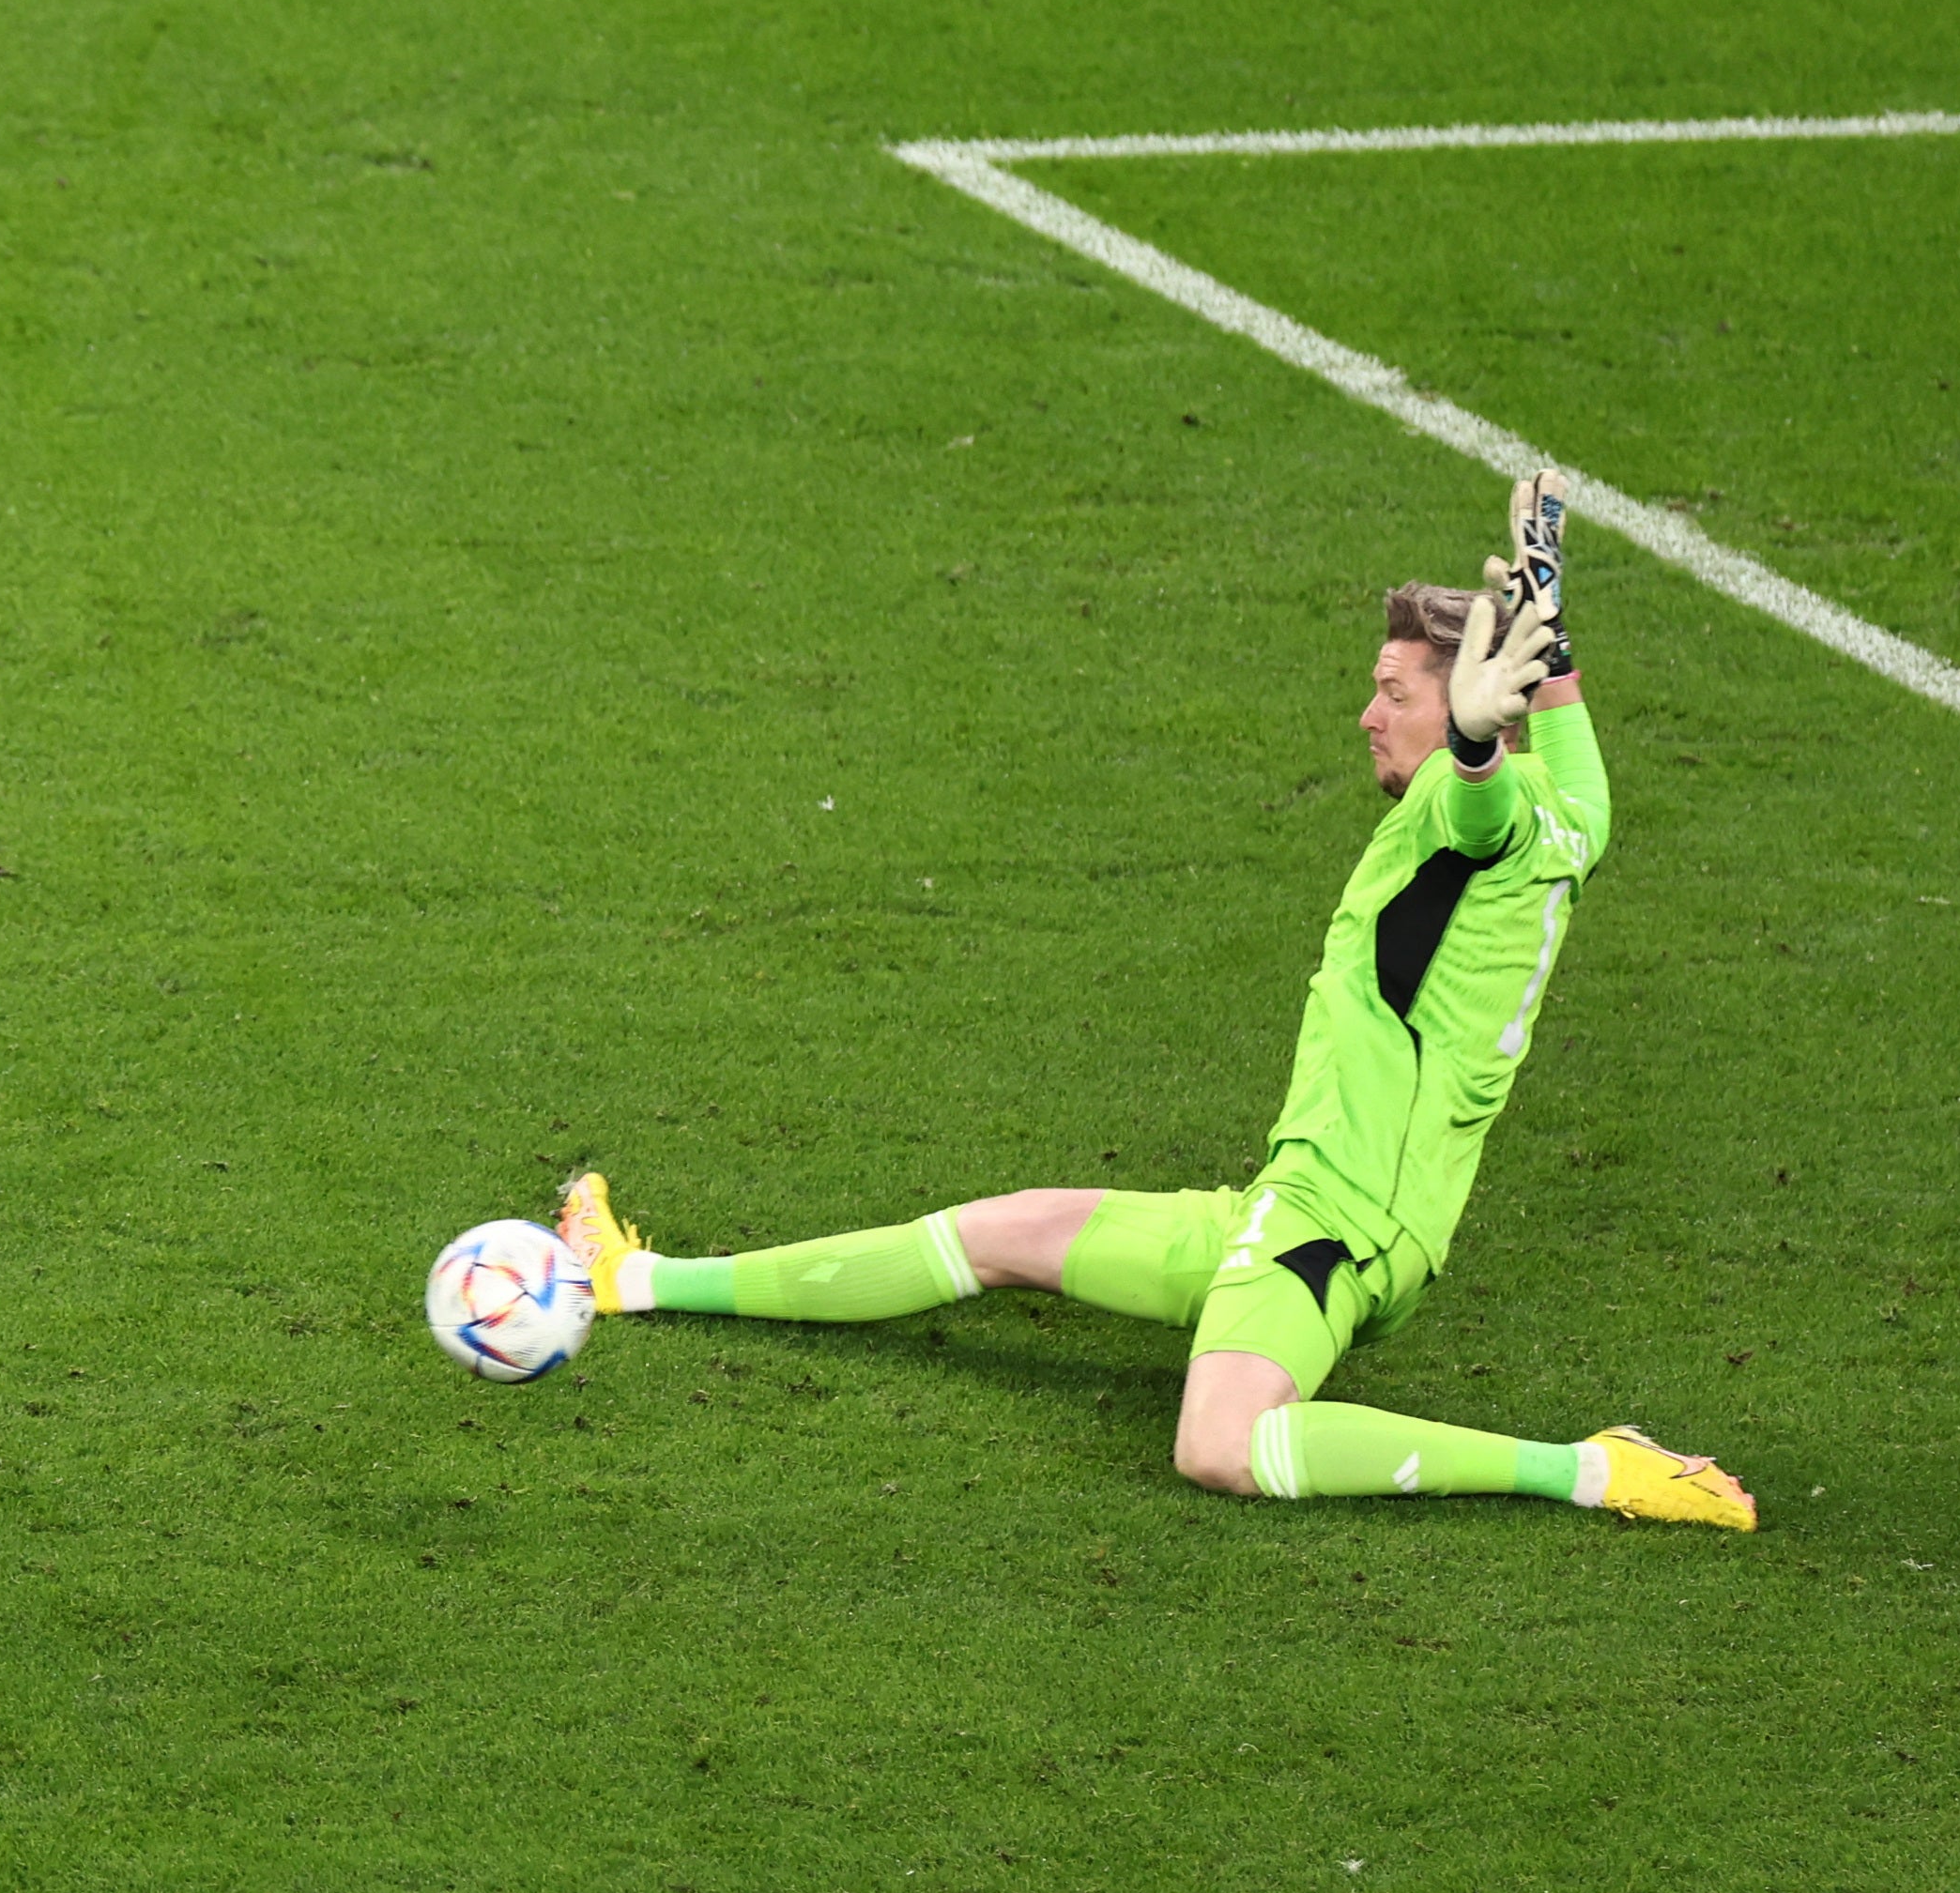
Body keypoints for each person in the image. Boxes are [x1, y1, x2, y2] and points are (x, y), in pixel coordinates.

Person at [559, 474, 1756, 1531]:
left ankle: (1589, 1469)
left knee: (1218, 1445)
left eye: (1392, 689)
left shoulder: (1464, 809)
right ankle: (636, 1280)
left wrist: (1478, 750)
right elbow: (1556, 757)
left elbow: (1477, 808)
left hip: (1333, 1232)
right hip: (1299, 1203)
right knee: (999, 1233)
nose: (1366, 713)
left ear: (1460, 708)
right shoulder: (1574, 818)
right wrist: (1546, 622)